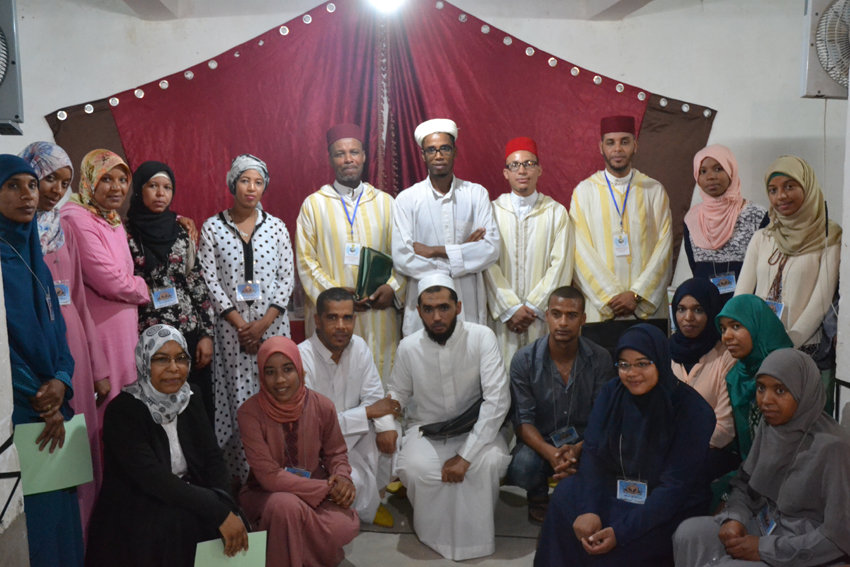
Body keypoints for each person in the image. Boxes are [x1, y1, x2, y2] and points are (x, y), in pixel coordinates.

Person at [535, 324, 715, 567]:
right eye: (624, 365)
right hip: (619, 488)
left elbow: (674, 488)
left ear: (661, 361)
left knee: (612, 550)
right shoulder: (612, 393)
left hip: (666, 504)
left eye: (642, 364)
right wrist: (590, 510)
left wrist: (620, 533)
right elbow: (593, 454)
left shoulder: (692, 410)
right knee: (565, 493)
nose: (632, 373)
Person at [86, 325, 248, 567]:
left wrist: (227, 506)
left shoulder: (191, 397)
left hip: (185, 495)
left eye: (181, 358)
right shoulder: (123, 410)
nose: (174, 368)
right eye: (161, 359)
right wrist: (216, 510)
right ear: (144, 362)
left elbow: (213, 458)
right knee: (182, 520)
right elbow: (152, 477)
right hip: (137, 507)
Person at [673, 349, 850, 567]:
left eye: (780, 390)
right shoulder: (770, 428)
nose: (765, 400)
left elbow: (838, 536)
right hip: (764, 524)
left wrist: (764, 549)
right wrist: (735, 517)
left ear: (804, 391)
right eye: (761, 388)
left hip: (801, 546)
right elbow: (745, 483)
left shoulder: (832, 447)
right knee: (688, 534)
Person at [386, 273, 511, 561]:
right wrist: (385, 424)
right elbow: (397, 394)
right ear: (419, 312)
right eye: (428, 309)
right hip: (426, 431)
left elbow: (497, 400)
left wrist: (465, 456)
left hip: (476, 429)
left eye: (444, 307)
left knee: (488, 462)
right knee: (415, 467)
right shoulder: (409, 347)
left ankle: (477, 537)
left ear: (458, 307)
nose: (437, 317)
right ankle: (433, 533)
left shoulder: (482, 337)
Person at [19, 141, 110, 535]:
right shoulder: (16, 232)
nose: (56, 189)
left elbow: (80, 301)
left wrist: (98, 367)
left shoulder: (64, 229)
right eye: (48, 178)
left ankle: (89, 540)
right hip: (39, 350)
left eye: (64, 182)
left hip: (75, 353)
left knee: (82, 446)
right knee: (50, 451)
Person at [0, 155, 83, 567]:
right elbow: (4, 349)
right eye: (13, 186)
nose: (27, 195)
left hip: (54, 404)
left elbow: (59, 332)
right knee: (35, 530)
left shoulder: (35, 255)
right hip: (18, 412)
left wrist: (63, 381)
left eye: (32, 185)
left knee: (63, 525)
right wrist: (41, 398)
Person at [199, 154, 294, 483]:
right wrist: (242, 326)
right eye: (244, 181)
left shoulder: (277, 227)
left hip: (273, 327)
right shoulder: (212, 228)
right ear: (233, 184)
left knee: (277, 389)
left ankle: (280, 471)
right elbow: (209, 280)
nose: (251, 188)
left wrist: (263, 324)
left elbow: (286, 278)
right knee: (239, 398)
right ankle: (244, 478)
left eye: (258, 182)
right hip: (231, 333)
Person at [238, 336, 360, 567]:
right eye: (270, 372)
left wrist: (342, 477)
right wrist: (326, 488)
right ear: (261, 375)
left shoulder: (322, 406)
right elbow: (268, 476)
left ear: (300, 370)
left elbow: (335, 453)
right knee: (285, 507)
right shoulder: (249, 413)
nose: (280, 380)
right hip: (265, 493)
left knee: (343, 526)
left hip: (315, 490)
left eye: (287, 369)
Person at [296, 124, 404, 382]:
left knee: (380, 381)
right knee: (332, 385)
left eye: (354, 152)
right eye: (340, 153)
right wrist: (336, 297)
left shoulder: (385, 203)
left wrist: (393, 288)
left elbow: (403, 255)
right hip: (333, 316)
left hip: (378, 314)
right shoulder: (314, 205)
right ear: (330, 159)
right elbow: (305, 261)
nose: (348, 159)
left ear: (364, 156)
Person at [506, 286, 614, 525]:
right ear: (547, 316)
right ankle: (538, 495)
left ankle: (581, 493)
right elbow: (523, 421)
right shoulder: (524, 360)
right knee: (522, 467)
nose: (563, 323)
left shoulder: (600, 358)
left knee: (610, 454)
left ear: (583, 319)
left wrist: (578, 449)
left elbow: (604, 418)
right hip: (541, 444)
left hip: (586, 441)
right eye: (556, 314)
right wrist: (552, 453)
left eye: (571, 315)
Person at [298, 287, 399, 527]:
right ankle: (362, 508)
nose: (341, 326)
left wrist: (384, 426)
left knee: (392, 432)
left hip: (353, 434)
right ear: (318, 321)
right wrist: (367, 413)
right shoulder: (301, 357)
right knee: (352, 481)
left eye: (347, 318)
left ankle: (375, 500)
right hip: (320, 449)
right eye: (333, 318)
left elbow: (374, 396)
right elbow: (312, 425)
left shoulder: (359, 347)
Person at [570, 116, 672, 353]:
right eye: (610, 142)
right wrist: (611, 297)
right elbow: (579, 250)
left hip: (646, 310)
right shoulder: (584, 192)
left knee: (647, 366)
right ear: (601, 147)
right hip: (602, 310)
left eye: (624, 142)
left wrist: (637, 295)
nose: (617, 149)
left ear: (635, 145)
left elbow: (665, 249)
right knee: (602, 370)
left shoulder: (654, 190)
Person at [392, 118, 500, 337]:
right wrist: (462, 253)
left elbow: (491, 249)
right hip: (424, 298)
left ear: (455, 152)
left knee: (469, 352)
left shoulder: (476, 194)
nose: (438, 155)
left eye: (445, 149)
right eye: (431, 150)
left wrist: (435, 251)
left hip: (467, 300)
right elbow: (403, 257)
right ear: (423, 155)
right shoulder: (407, 199)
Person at [61, 149, 150, 411]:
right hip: (101, 333)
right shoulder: (75, 217)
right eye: (106, 179)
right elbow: (109, 280)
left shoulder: (109, 217)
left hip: (123, 331)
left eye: (122, 180)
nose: (116, 188)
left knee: (127, 409)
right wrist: (143, 288)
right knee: (108, 410)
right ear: (90, 180)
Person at [127, 161, 216, 420]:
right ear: (139, 190)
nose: (160, 193)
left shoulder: (181, 231)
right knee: (156, 410)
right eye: (152, 186)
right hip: (149, 338)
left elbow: (197, 283)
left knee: (195, 409)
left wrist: (206, 334)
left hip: (188, 333)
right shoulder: (124, 233)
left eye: (167, 188)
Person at [736, 156, 841, 352]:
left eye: (789, 186)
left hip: (804, 348)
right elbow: (740, 298)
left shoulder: (829, 237)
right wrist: (743, 336)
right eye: (773, 190)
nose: (781, 196)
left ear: (807, 187)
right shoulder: (762, 237)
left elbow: (820, 303)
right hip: (757, 345)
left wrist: (786, 345)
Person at [485, 137, 573, 365]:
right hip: (503, 320)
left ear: (539, 170)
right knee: (502, 376)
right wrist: (510, 308)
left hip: (541, 320)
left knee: (542, 374)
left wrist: (533, 308)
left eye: (529, 164)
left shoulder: (555, 213)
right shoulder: (491, 212)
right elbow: (486, 264)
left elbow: (561, 265)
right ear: (506, 173)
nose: (522, 171)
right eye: (515, 165)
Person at [683, 145, 769, 306]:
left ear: (731, 170)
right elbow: (695, 267)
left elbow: (766, 270)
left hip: (744, 307)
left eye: (718, 169)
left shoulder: (756, 215)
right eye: (703, 171)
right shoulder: (692, 218)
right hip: (705, 308)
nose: (710, 177)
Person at [670, 278, 738, 479]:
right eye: (681, 309)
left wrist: (682, 446)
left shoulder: (726, 356)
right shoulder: (664, 352)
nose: (688, 317)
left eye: (698, 310)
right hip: (666, 449)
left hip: (710, 452)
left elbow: (725, 427)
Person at [717, 294, 793, 460]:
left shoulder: (790, 372)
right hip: (749, 468)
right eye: (723, 329)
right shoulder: (736, 377)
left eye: (736, 326)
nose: (726, 336)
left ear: (758, 325)